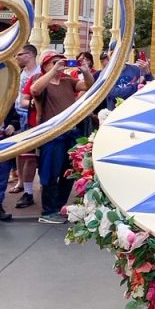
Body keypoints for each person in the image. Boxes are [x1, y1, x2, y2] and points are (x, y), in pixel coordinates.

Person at [30, 51, 90, 223]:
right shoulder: (40, 81)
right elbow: (35, 90)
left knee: (68, 172)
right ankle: (48, 211)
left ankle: (60, 206)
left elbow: (88, 86)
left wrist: (85, 70)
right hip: (52, 135)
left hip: (71, 134)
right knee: (49, 173)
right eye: (55, 61)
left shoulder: (68, 81)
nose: (60, 64)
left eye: (62, 61)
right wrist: (52, 72)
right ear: (46, 65)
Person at [11, 44, 40, 209]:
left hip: (30, 116)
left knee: (29, 154)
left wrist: (30, 105)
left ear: (29, 55)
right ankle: (21, 181)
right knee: (20, 151)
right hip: (19, 114)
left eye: (20, 55)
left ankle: (27, 187)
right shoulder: (22, 72)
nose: (17, 57)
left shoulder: (38, 74)